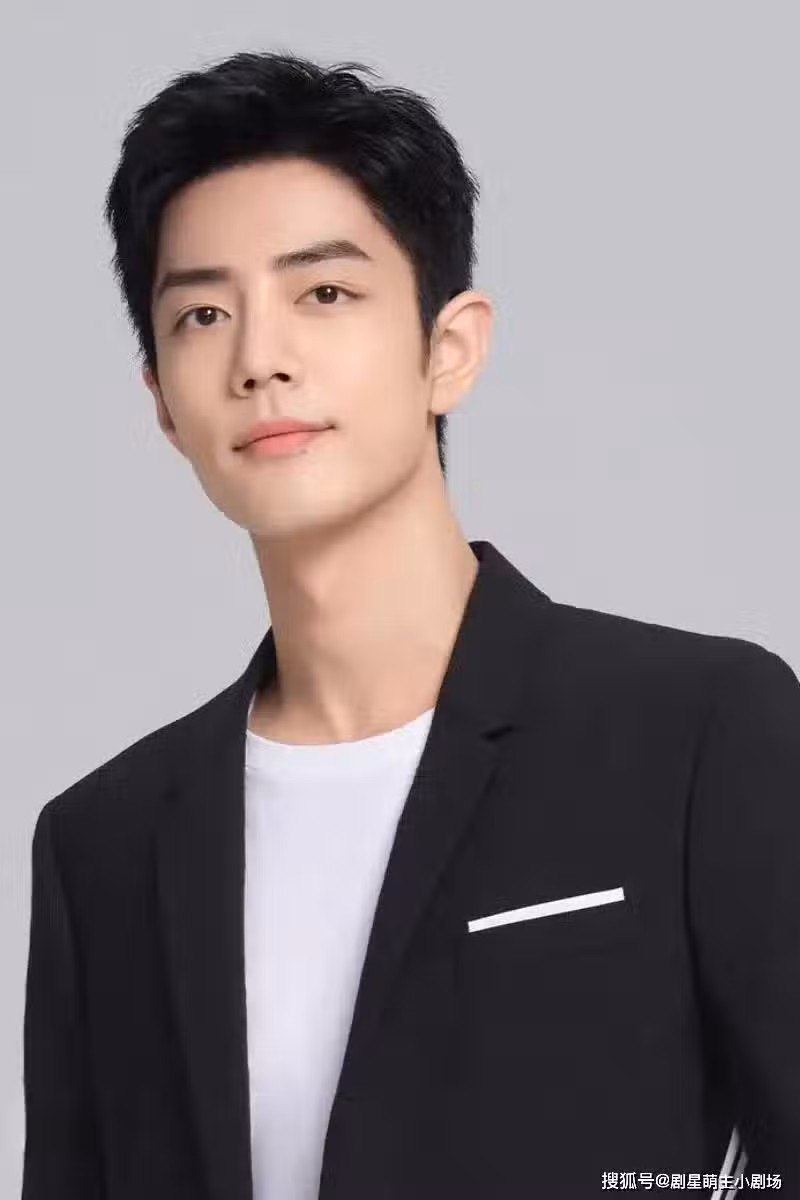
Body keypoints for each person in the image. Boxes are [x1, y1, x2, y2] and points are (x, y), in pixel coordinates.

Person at [22, 49, 800, 1200]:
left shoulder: (700, 732)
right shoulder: (103, 845)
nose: (259, 359)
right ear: (163, 406)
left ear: (449, 348)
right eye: (202, 314)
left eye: (322, 294)